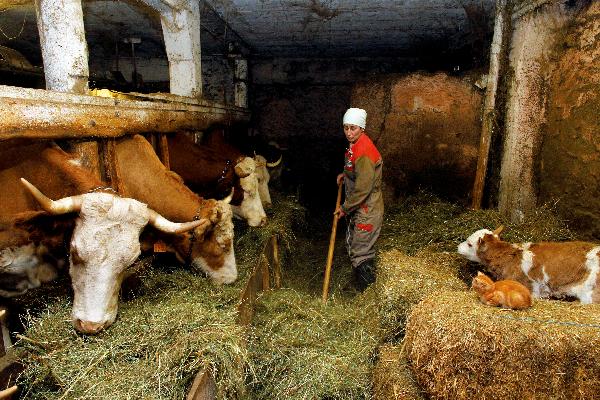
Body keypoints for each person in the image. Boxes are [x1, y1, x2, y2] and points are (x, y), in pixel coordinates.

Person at [335, 107, 384, 290]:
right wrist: (345, 175)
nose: (349, 132)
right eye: (346, 128)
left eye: (353, 128)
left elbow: (363, 188)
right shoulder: (355, 145)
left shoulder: (364, 151)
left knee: (361, 251)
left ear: (362, 128)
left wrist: (345, 208)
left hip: (367, 209)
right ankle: (362, 285)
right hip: (362, 207)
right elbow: (356, 170)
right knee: (358, 245)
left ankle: (367, 292)